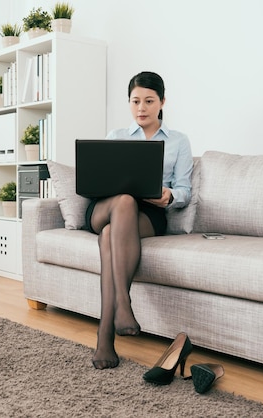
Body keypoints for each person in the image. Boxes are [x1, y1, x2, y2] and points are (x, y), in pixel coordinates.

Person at [88, 71, 193, 369]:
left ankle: (105, 339)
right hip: (105, 208)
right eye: (135, 101)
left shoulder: (179, 142)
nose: (141, 108)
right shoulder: (116, 137)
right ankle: (123, 302)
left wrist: (169, 196)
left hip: (150, 214)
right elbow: (98, 179)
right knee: (122, 200)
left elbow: (184, 190)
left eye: (149, 101)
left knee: (109, 237)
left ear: (162, 102)